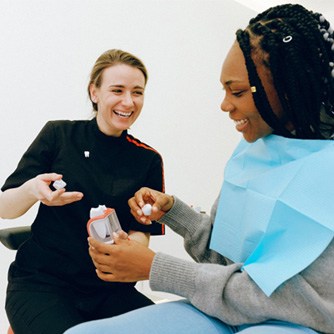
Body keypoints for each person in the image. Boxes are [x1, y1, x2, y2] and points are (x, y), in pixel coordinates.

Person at [64, 4, 334, 334]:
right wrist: (174, 213)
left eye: (236, 91)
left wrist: (156, 269)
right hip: (229, 311)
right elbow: (227, 262)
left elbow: (307, 304)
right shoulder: (254, 152)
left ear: (288, 88)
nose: (224, 105)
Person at [0, 49, 165, 334]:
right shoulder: (59, 135)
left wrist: (130, 245)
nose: (128, 102)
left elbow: (142, 233)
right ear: (94, 92)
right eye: (117, 90)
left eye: (137, 92)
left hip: (109, 290)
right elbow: (5, 208)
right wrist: (32, 190)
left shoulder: (148, 159)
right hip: (42, 285)